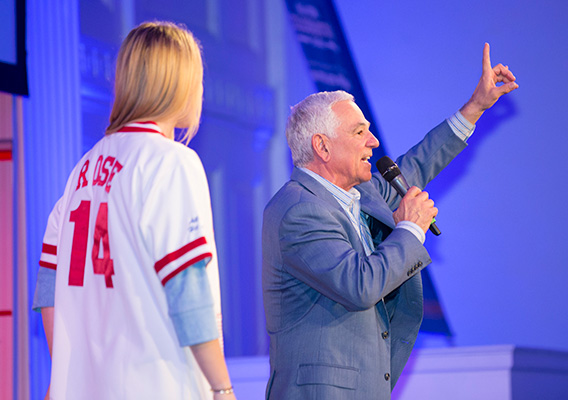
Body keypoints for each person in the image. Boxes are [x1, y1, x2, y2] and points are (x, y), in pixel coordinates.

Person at [262, 43, 518, 399]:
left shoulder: (363, 192)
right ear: (322, 147)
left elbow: (416, 164)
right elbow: (360, 285)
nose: (373, 140)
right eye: (358, 132)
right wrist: (410, 228)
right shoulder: (298, 209)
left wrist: (474, 108)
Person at [32, 22, 236, 399]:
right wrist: (222, 389)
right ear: (182, 84)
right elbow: (187, 294)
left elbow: (48, 289)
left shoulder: (81, 171)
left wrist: (64, 374)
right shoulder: (172, 163)